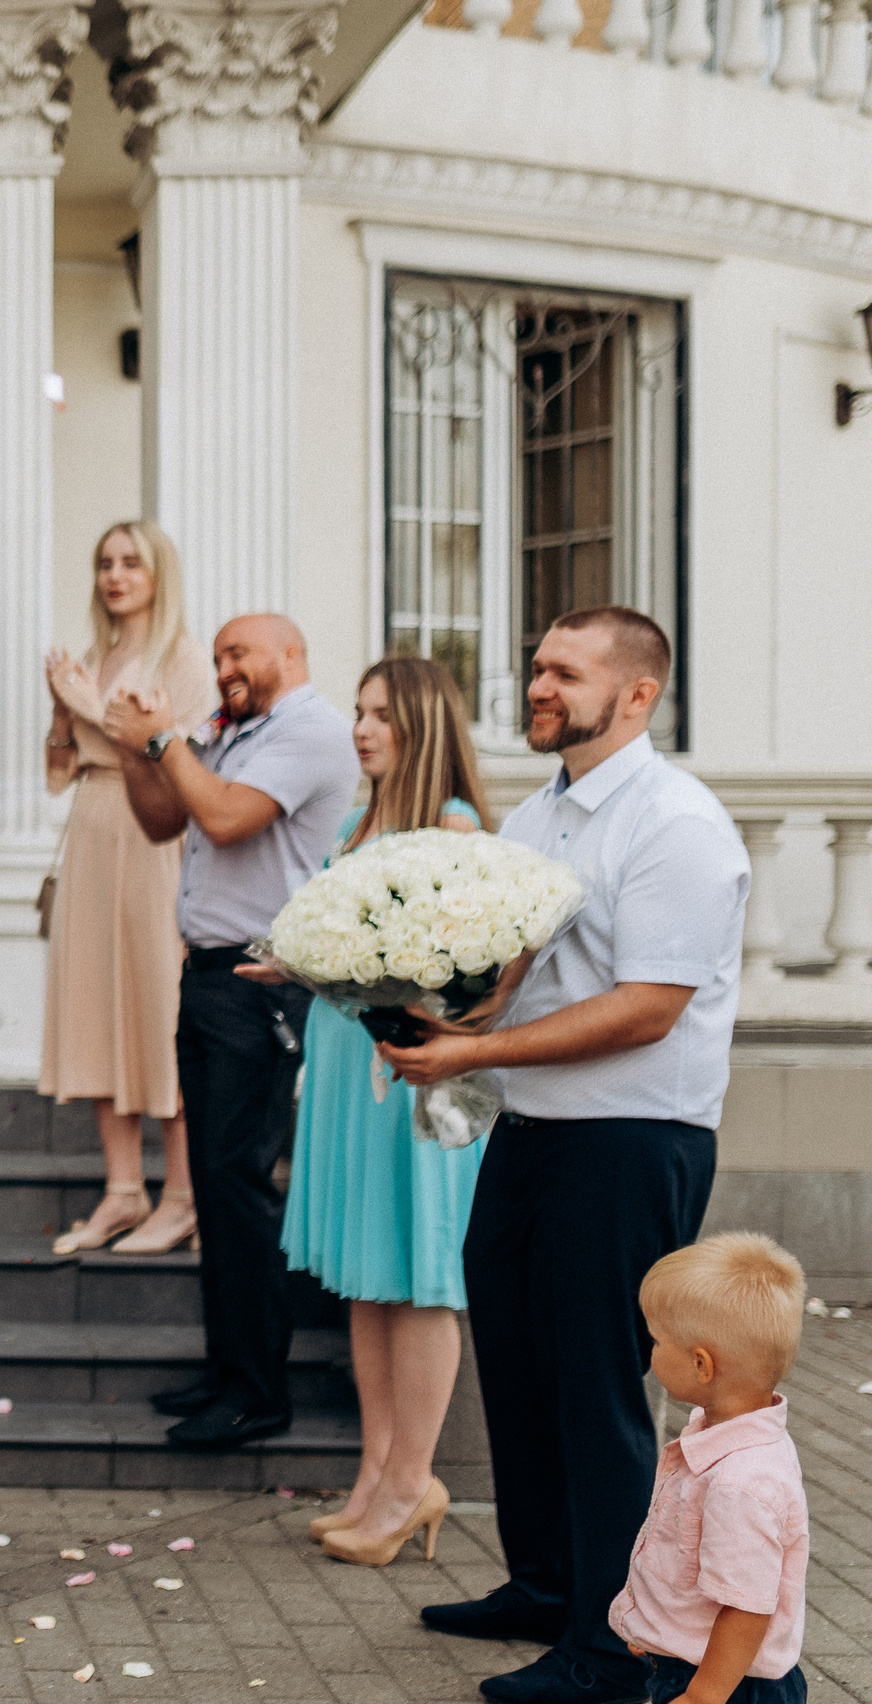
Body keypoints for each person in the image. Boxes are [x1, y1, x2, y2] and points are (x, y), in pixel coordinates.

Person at [382, 607, 748, 1704]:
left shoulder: (677, 824)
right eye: (536, 666)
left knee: (593, 1395)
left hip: (631, 1140)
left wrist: (472, 1053)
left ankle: (613, 1649)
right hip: (531, 1129)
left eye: (565, 672)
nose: (539, 685)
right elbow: (515, 975)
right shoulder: (540, 815)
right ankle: (544, 1588)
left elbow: (647, 1008)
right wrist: (387, 993)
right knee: (520, 1373)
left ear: (636, 695)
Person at [104, 613, 357, 1450]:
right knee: (213, 1184)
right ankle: (227, 1371)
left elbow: (223, 818)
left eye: (239, 652)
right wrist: (135, 747)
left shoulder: (308, 730)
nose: (224, 668)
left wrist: (163, 739)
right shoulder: (232, 733)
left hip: (260, 985)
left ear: (292, 653)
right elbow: (162, 820)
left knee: (237, 1181)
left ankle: (257, 1393)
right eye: (217, 656)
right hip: (210, 975)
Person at [266, 657, 491, 1566]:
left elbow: (461, 967)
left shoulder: (454, 827)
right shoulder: (355, 824)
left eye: (382, 715)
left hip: (411, 1070)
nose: (362, 729)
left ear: (423, 726)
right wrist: (294, 960)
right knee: (367, 1274)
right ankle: (374, 1473)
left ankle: (413, 1480)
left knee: (420, 1271)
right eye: (359, 712)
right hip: (343, 1063)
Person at [40, 521, 214, 1254]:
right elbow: (59, 773)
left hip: (154, 837)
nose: (114, 576)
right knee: (95, 1003)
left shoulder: (185, 661)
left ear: (157, 574)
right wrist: (62, 714)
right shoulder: (92, 658)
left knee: (158, 1003)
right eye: (104, 563)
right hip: (91, 830)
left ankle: (182, 1196)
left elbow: (177, 758)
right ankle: (121, 1190)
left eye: (131, 563)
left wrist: (86, 705)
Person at [612, 1234, 810, 1704]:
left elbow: (747, 1608)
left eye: (657, 1340)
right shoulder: (722, 1438)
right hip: (700, 1670)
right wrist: (660, 1630)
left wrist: (703, 1695)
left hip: (724, 1685)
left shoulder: (739, 1482)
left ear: (702, 1364)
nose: (649, 1349)